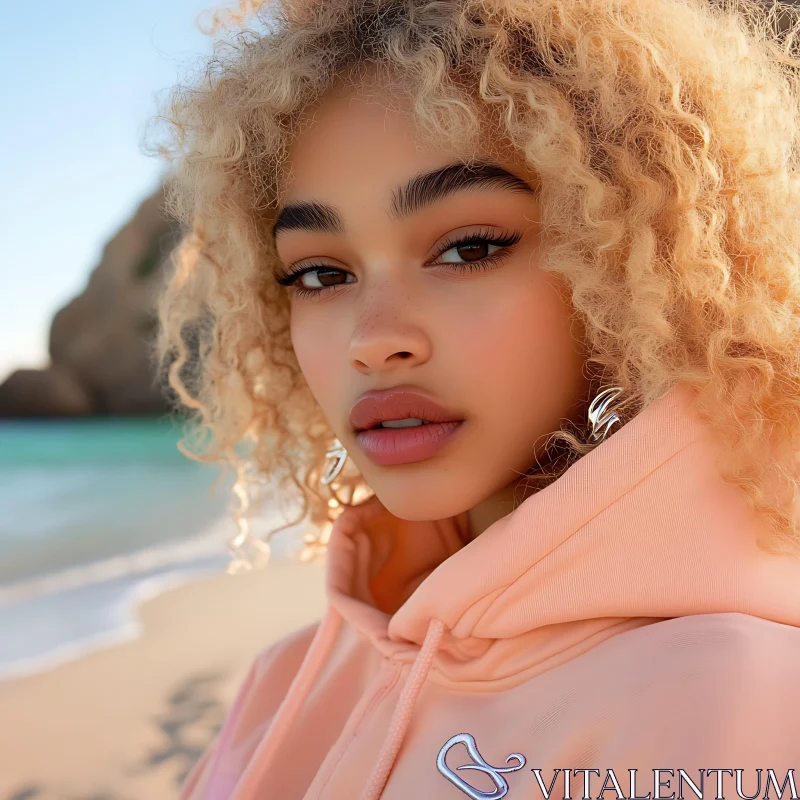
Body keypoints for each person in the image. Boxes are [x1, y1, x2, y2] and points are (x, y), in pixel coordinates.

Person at [152, 0, 800, 797]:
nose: (372, 337)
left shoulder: (731, 706)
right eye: (320, 273)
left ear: (632, 263)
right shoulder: (283, 678)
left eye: (468, 247)